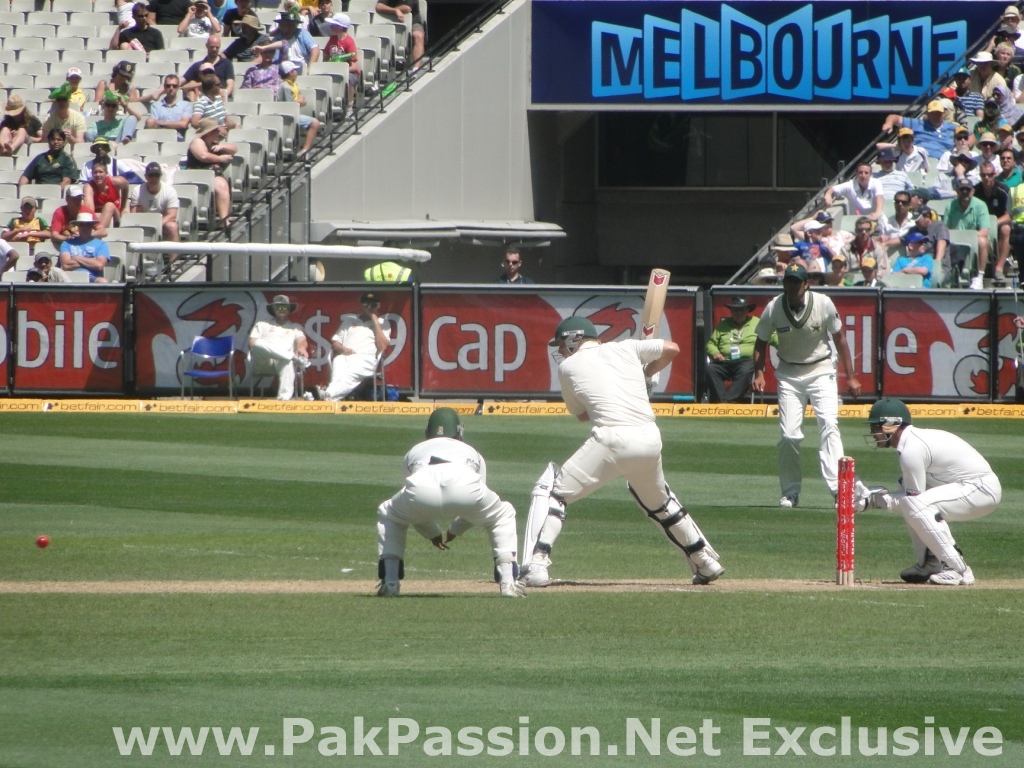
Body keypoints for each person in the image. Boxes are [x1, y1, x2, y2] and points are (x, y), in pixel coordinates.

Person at [518, 316, 724, 588]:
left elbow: (582, 416)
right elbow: (672, 349)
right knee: (659, 503)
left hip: (612, 438)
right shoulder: (628, 348)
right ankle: (705, 561)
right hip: (649, 438)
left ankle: (536, 566)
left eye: (560, 344)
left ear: (573, 339)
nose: (559, 351)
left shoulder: (568, 367)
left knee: (555, 492)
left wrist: (640, 377)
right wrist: (646, 374)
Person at [375, 408, 524, 598]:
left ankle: (390, 582)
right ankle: (508, 583)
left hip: (423, 483)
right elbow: (474, 507)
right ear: (459, 431)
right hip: (464, 481)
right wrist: (455, 529)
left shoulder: (413, 451)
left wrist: (433, 533)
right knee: (503, 514)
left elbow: (414, 505)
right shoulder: (472, 452)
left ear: (426, 431)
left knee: (390, 514)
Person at [857, 398, 1002, 586]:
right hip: (969, 487)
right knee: (911, 498)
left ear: (892, 424)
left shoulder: (912, 449)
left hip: (981, 489)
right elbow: (910, 496)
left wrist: (875, 500)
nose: (873, 433)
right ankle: (930, 563)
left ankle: (957, 569)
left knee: (917, 505)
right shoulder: (912, 442)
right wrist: (877, 499)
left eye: (876, 426)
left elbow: (913, 500)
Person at [752, 263, 862, 508]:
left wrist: (851, 376)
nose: (791, 285)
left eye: (796, 281)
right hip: (789, 375)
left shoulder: (823, 304)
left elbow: (840, 339)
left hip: (822, 370)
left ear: (806, 284)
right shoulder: (774, 308)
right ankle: (790, 493)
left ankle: (838, 491)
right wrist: (759, 373)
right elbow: (760, 342)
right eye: (788, 281)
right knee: (789, 436)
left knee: (829, 426)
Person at [317, 292, 390, 401]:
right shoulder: (350, 320)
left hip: (365, 359)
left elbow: (383, 346)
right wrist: (343, 349)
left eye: (372, 305)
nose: (369, 307)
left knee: (350, 375)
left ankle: (327, 393)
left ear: (378, 305)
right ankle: (328, 399)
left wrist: (375, 321)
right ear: (362, 305)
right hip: (344, 356)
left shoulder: (383, 323)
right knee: (337, 377)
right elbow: (335, 341)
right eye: (366, 305)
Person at [247, 294, 310, 400]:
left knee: (287, 360)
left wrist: (302, 348)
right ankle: (291, 356)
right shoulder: (262, 324)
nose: (281, 310)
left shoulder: (295, 327)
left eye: (284, 307)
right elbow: (252, 343)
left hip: (282, 362)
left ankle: (284, 399)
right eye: (278, 307)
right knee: (257, 343)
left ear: (289, 309)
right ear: (273, 309)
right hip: (264, 361)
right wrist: (290, 354)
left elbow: (302, 341)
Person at [705, 296, 762, 403]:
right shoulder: (723, 325)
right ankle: (722, 402)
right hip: (725, 361)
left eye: (742, 310)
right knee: (710, 369)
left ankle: (727, 402)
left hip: (745, 361)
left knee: (746, 370)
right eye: (736, 310)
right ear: (731, 311)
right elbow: (711, 344)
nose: (739, 313)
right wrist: (715, 352)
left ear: (747, 310)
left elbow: (772, 337)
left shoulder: (756, 322)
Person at [186, 117, 237, 228]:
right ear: (210, 132)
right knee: (220, 184)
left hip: (214, 174)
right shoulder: (197, 142)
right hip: (199, 174)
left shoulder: (214, 143)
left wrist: (222, 146)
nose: (219, 133)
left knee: (221, 185)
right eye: (216, 131)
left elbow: (234, 149)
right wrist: (220, 159)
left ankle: (224, 219)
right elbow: (203, 156)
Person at [945, 178, 993, 289]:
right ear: (957, 191)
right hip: (955, 240)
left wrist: (967, 237)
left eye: (967, 189)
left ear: (972, 191)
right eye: (962, 189)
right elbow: (946, 229)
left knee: (982, 241)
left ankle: (979, 277)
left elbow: (985, 231)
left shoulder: (981, 205)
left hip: (976, 239)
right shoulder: (950, 206)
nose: (965, 192)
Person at [974, 160, 1012, 285]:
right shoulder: (975, 191)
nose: (986, 178)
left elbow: (1009, 215)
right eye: (983, 175)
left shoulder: (1003, 189)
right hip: (980, 225)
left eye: (989, 175)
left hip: (998, 223)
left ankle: (999, 267)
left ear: (994, 174)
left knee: (1006, 229)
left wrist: (992, 223)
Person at [881, 102, 957, 162]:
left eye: (938, 113)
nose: (935, 116)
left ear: (943, 114)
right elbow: (894, 117)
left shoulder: (952, 127)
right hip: (919, 161)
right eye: (932, 113)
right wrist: (889, 124)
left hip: (944, 162)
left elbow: (968, 135)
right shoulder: (918, 124)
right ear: (927, 114)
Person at [277, 61, 321, 156]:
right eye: (295, 70)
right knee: (315, 123)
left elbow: (302, 100)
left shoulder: (294, 85)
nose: (297, 72)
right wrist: (299, 102)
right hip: (289, 116)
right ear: (290, 73)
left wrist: (300, 102)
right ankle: (305, 150)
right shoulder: (285, 87)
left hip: (296, 113)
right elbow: (290, 106)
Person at [130, 162, 181, 244]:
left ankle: (175, 256)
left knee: (173, 227)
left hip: (163, 223)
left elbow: (172, 215)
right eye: (151, 175)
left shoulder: (170, 191)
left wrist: (157, 224)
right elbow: (135, 214)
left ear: (160, 176)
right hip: (144, 223)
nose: (154, 178)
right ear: (146, 176)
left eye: (156, 175)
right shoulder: (137, 191)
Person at [58, 212, 111, 283]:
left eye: (88, 224)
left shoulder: (101, 244)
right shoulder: (67, 243)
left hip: (91, 277)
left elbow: (99, 265)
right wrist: (91, 261)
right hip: (70, 277)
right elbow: (66, 265)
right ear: (78, 226)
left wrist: (77, 258)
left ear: (92, 226)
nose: (85, 227)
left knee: (103, 281)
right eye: (82, 224)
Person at [322, 13, 360, 105]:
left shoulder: (349, 42)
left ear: (340, 27)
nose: (330, 27)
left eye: (333, 25)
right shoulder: (332, 39)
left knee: (349, 80)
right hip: (333, 70)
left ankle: (350, 105)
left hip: (348, 72)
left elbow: (354, 66)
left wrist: (340, 70)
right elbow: (326, 56)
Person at [183, 35, 236, 101]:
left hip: (221, 97)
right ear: (207, 45)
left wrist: (224, 95)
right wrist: (200, 84)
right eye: (212, 47)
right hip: (203, 98)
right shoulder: (198, 65)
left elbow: (230, 84)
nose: (214, 49)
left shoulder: (226, 64)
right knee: (192, 90)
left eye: (217, 47)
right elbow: (182, 83)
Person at [376, 0, 426, 69]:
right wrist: (395, 11)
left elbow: (407, 8)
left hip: (413, 22)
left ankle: (416, 68)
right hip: (390, 22)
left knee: (419, 36)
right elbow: (379, 6)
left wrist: (389, 9)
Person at [142, 75, 193, 140]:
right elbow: (152, 123)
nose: (171, 88)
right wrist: (175, 124)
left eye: (174, 86)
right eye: (168, 86)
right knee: (149, 121)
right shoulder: (156, 106)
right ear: (164, 87)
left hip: (178, 139)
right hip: (159, 137)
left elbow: (183, 124)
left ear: (178, 88)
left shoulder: (186, 105)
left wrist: (162, 123)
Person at [84, 157, 127, 231]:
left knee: (109, 205)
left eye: (100, 172)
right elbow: (90, 209)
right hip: (99, 216)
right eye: (95, 172)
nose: (97, 175)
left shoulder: (117, 181)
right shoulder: (89, 186)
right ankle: (98, 231)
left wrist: (123, 207)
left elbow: (126, 186)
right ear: (92, 174)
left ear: (106, 174)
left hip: (115, 214)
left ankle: (98, 232)